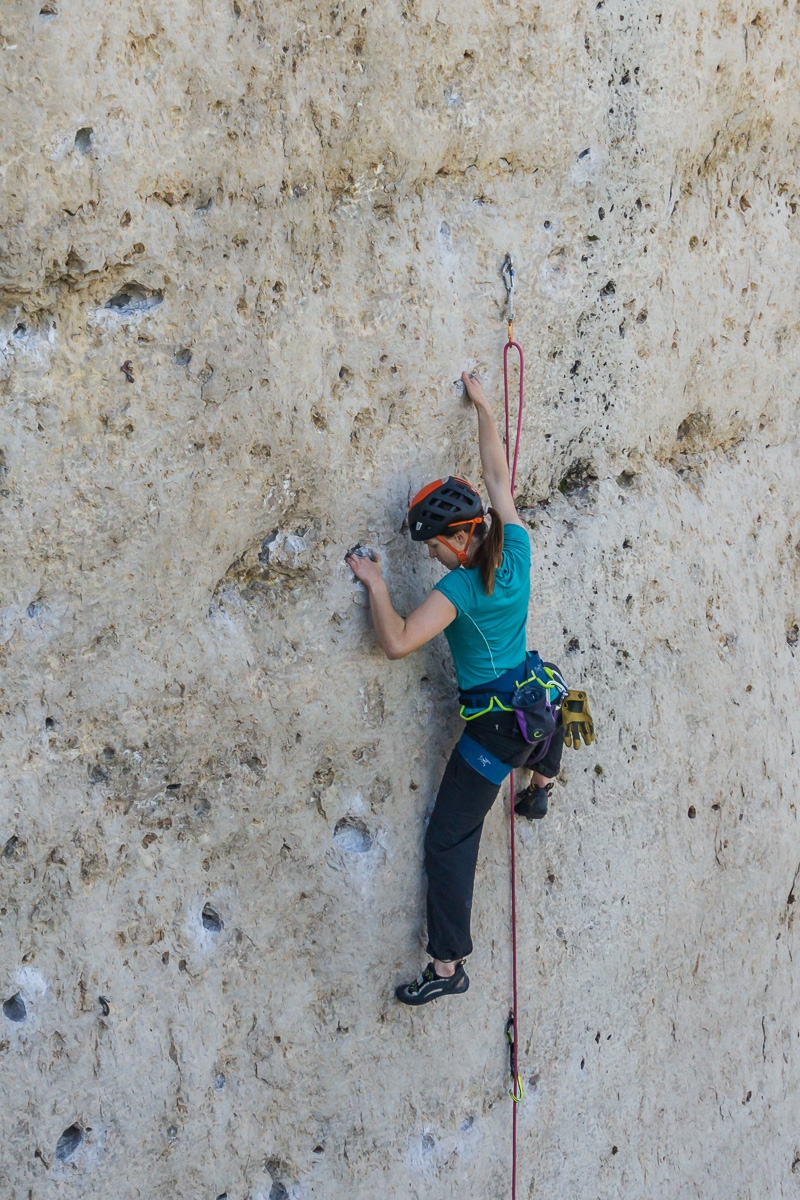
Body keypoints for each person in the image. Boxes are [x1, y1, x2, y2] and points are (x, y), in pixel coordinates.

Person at [345, 371, 565, 1006]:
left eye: (436, 547)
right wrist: (485, 410)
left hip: (498, 732)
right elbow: (498, 476)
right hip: (539, 705)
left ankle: (447, 966)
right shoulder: (517, 547)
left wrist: (378, 585)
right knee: (558, 702)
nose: (434, 558)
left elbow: (397, 643)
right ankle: (542, 788)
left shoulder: (458, 591)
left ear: (459, 537)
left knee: (448, 837)